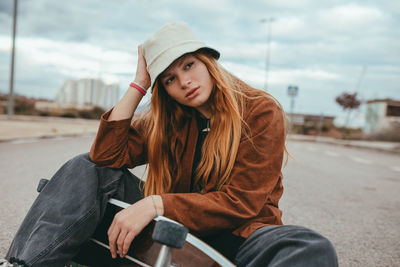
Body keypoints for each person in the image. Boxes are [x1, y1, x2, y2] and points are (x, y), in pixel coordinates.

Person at [2, 22, 338, 267]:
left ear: (208, 61)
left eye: (189, 65)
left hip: (240, 237)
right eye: (169, 79)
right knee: (84, 167)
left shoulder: (260, 110)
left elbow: (242, 203)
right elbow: (103, 157)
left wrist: (155, 204)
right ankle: (23, 264)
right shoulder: (167, 119)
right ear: (163, 88)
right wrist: (139, 83)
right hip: (170, 233)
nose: (185, 82)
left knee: (309, 247)